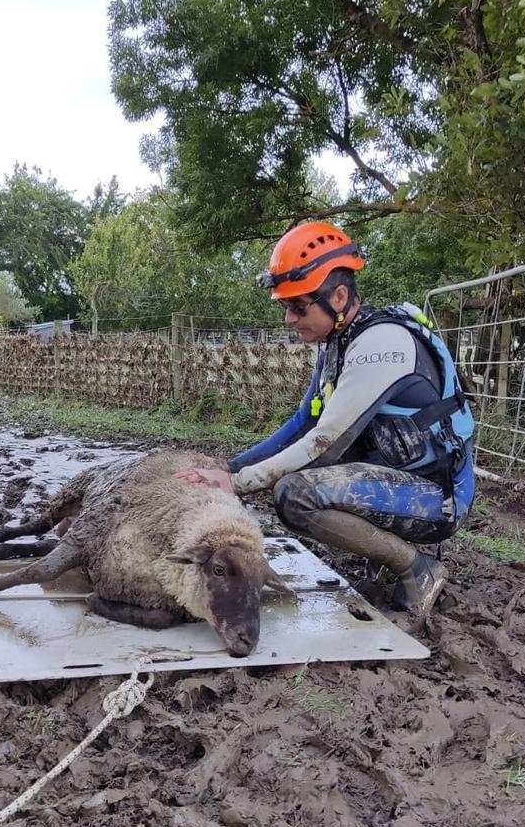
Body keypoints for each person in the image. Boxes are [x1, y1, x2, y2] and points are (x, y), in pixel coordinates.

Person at [177, 220, 476, 616]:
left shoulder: (381, 344)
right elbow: (304, 421)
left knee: (296, 494)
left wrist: (237, 483)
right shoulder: (339, 342)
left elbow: (323, 444)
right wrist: (229, 466)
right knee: (300, 478)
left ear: (338, 296)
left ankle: (417, 569)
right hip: (403, 475)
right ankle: (386, 556)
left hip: (438, 496)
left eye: (298, 306)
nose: (289, 318)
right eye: (285, 306)